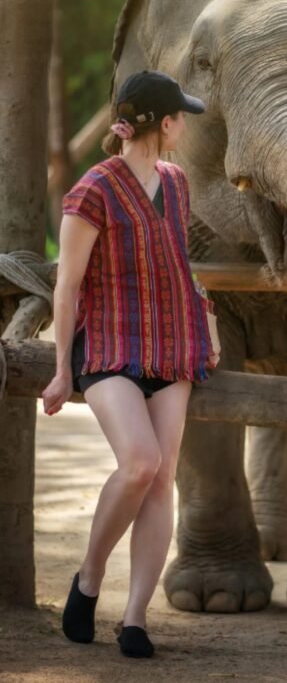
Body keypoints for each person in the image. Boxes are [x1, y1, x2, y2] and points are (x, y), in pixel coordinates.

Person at [42, 70, 216, 659]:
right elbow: (67, 286)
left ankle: (136, 618)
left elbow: (178, 265)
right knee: (141, 462)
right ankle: (90, 576)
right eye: (180, 117)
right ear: (162, 124)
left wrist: (206, 325)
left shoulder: (176, 182)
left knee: (163, 479)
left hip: (173, 346)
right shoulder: (92, 189)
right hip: (110, 347)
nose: (184, 126)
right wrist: (62, 370)